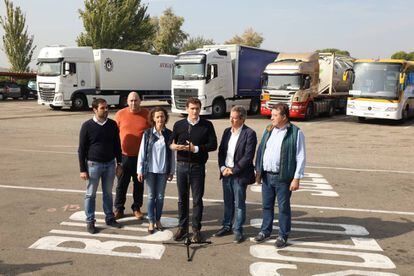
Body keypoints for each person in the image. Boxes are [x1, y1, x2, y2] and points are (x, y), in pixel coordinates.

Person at [253, 103, 306, 248]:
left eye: (275, 115)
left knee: (283, 208)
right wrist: (258, 171)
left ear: (284, 116)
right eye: (272, 115)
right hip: (267, 176)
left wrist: (296, 178)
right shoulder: (269, 129)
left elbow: (300, 157)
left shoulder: (295, 133)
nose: (271, 118)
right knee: (266, 206)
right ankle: (265, 231)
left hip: (283, 177)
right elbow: (261, 150)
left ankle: (283, 235)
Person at [169, 97, 217, 242]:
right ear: (186, 109)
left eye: (197, 108)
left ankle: (196, 230)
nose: (195, 111)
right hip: (181, 166)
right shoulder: (179, 124)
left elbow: (213, 145)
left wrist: (195, 148)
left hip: (198, 167)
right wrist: (174, 147)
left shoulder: (207, 125)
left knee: (197, 200)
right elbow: (171, 142)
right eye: (192, 108)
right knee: (182, 199)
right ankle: (182, 228)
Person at [78, 98, 123, 234]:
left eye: (106, 107)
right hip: (93, 165)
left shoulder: (112, 124)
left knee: (108, 193)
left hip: (110, 164)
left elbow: (117, 145)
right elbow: (81, 149)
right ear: (95, 109)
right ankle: (90, 221)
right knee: (90, 194)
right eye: (102, 108)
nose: (106, 110)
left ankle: (110, 217)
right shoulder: (87, 126)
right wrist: (82, 170)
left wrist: (119, 163)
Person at [214, 106, 257, 243]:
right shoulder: (227, 132)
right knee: (227, 203)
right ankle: (226, 226)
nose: (231, 120)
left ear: (242, 119)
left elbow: (248, 156)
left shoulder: (249, 133)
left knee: (239, 204)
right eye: (230, 117)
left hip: (239, 174)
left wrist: (233, 169)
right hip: (226, 173)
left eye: (234, 117)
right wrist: (222, 167)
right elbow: (221, 151)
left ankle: (238, 230)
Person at [137, 107, 175, 234]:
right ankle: (151, 222)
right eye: (157, 117)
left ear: (165, 118)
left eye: (162, 116)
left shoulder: (169, 134)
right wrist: (140, 170)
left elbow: (172, 154)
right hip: (150, 171)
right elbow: (142, 153)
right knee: (151, 196)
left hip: (163, 171)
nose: (160, 119)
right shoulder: (147, 134)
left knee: (160, 197)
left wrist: (171, 170)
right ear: (153, 118)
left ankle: (158, 220)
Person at [114, 92, 150, 220]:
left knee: (138, 183)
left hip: (141, 157)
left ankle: (137, 208)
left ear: (140, 101)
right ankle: (119, 208)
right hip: (124, 156)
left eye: (136, 100)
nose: (133, 103)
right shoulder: (120, 114)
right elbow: (114, 135)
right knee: (121, 184)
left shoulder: (147, 114)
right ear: (127, 101)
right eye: (131, 101)